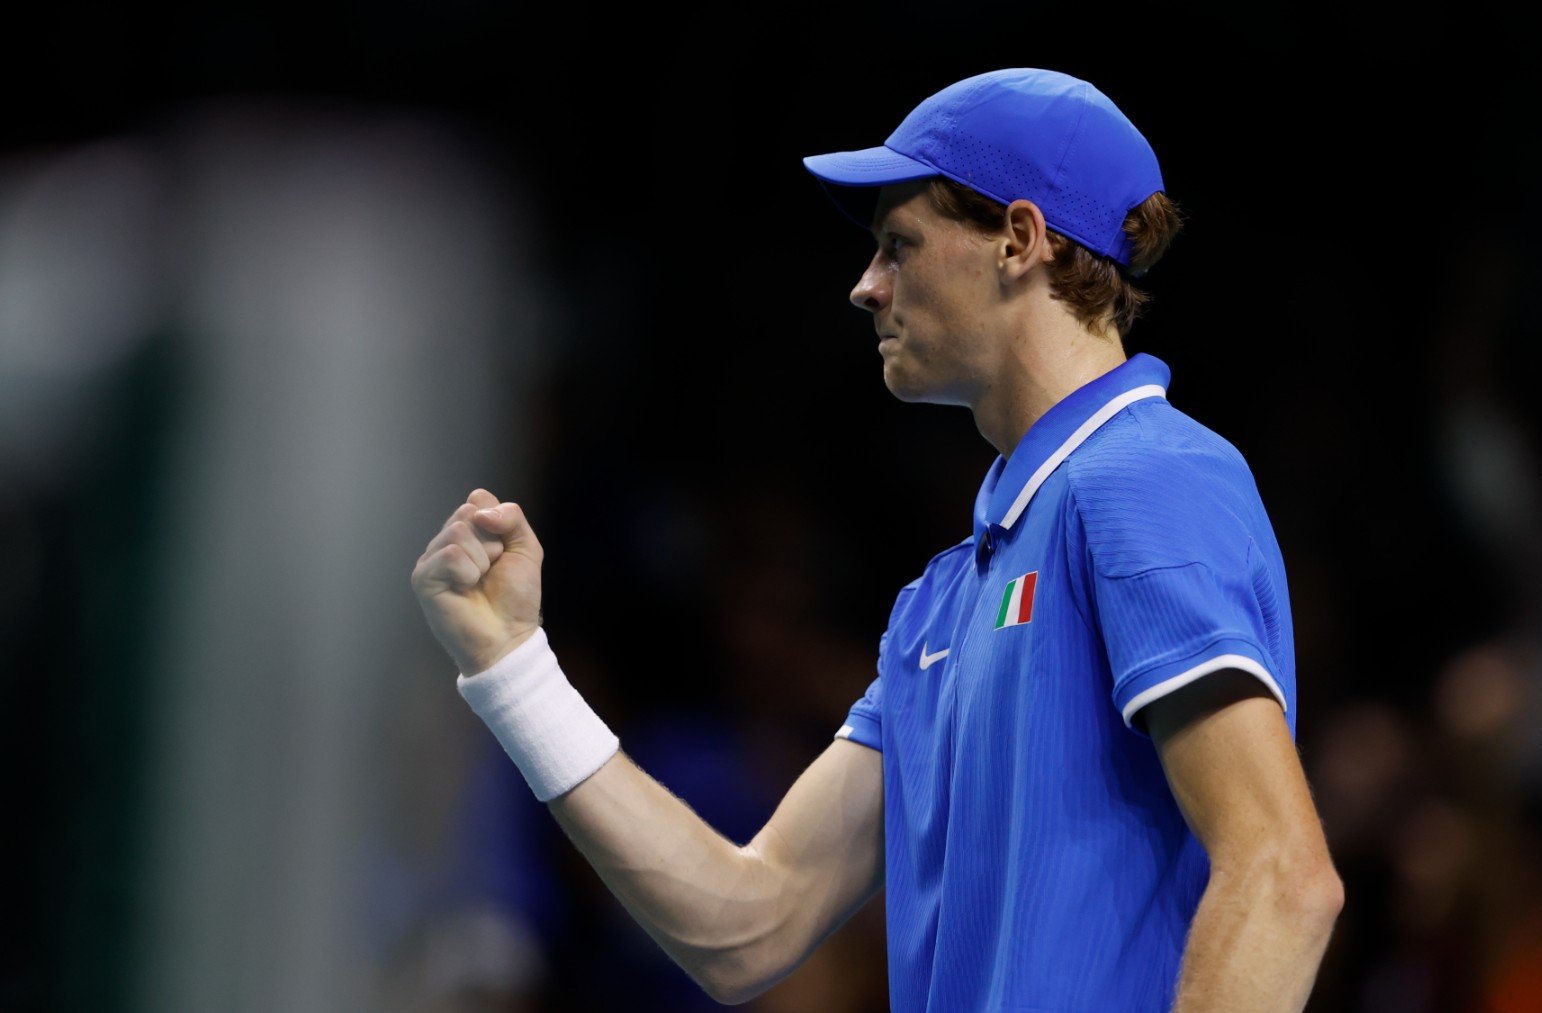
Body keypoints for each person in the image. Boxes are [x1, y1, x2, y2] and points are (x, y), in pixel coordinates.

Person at [412, 67, 1342, 1011]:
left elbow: (1281, 877)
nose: (866, 287)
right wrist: (512, 665)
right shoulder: (942, 600)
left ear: (1018, 240)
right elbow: (746, 921)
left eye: (900, 245)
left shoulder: (1147, 473)